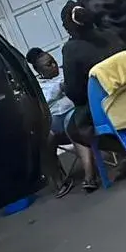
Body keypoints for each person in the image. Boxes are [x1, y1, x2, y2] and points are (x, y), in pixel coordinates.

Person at [59, 0, 126, 193]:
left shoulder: (71, 50)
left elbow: (75, 92)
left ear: (68, 27)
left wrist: (69, 89)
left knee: (74, 128)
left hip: (107, 109)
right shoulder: (110, 34)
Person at [25, 47, 79, 198]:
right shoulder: (37, 86)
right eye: (48, 65)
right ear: (39, 70)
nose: (54, 66)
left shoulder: (65, 72)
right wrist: (59, 88)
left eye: (53, 61)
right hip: (56, 123)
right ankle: (59, 180)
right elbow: (44, 100)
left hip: (76, 115)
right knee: (45, 138)